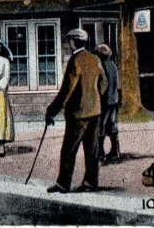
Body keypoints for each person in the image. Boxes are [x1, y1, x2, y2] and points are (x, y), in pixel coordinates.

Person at [45, 28, 108, 193]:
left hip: (78, 114)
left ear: (73, 42)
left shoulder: (75, 60)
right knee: (92, 150)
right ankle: (90, 183)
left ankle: (63, 184)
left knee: (69, 149)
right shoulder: (95, 58)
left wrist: (52, 111)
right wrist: (95, 98)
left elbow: (67, 89)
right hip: (95, 112)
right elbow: (104, 82)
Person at [95, 44, 121, 162]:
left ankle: (100, 152)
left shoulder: (101, 66)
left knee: (101, 125)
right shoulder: (113, 65)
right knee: (112, 123)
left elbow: (102, 84)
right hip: (114, 99)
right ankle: (115, 150)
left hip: (104, 100)